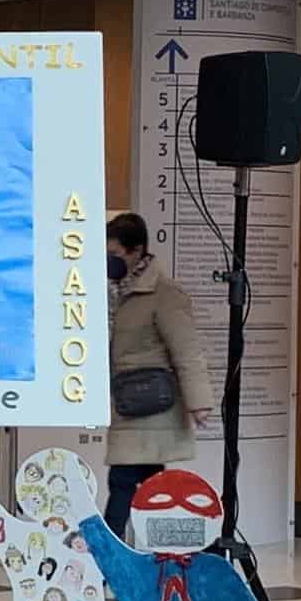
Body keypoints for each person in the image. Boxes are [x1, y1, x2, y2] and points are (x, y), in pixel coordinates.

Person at [104, 212, 214, 539]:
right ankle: (154, 552)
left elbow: (187, 348)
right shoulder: (112, 292)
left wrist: (200, 402)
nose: (109, 261)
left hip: (152, 404)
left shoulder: (164, 294)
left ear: (136, 250)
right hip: (126, 402)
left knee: (124, 481)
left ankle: (109, 559)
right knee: (149, 481)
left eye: (115, 254)